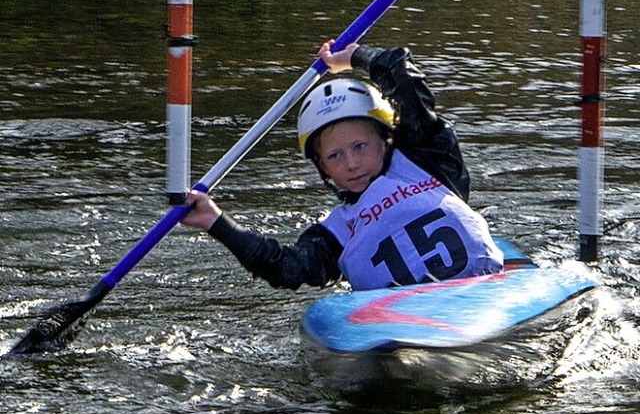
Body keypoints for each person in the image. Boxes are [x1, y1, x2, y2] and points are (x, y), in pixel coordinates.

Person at [181, 41, 503, 290]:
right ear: (322, 168)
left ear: (385, 138)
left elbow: (400, 72)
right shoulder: (337, 232)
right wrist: (214, 220)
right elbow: (283, 267)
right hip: (405, 321)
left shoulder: (429, 158)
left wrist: (352, 57)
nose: (351, 164)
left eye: (360, 147)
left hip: (478, 289)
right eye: (335, 156)